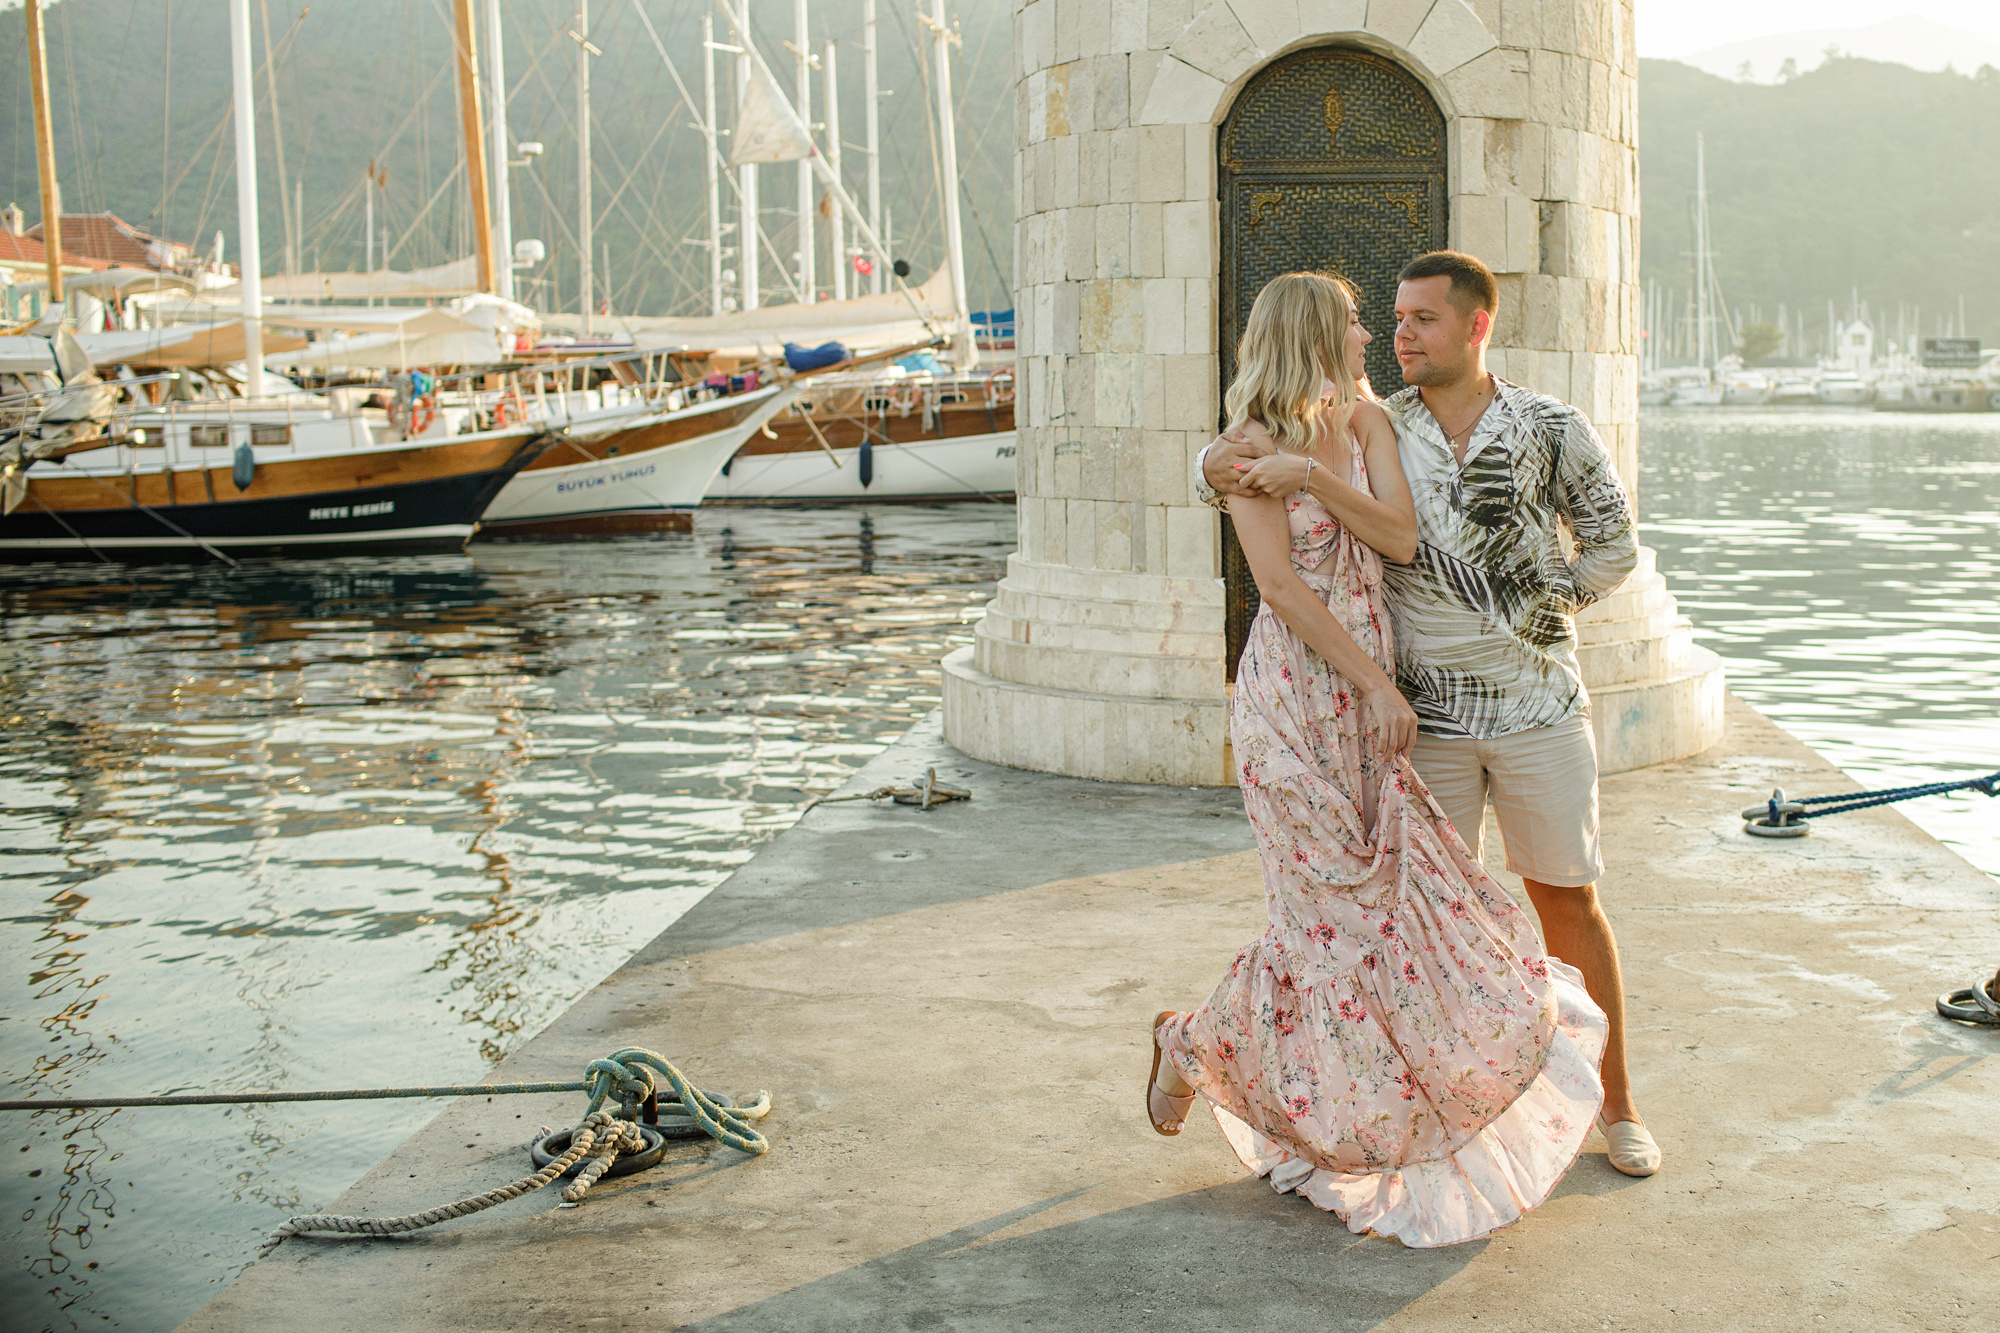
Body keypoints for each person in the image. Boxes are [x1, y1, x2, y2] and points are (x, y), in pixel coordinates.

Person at [1146, 270, 1611, 1248]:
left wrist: (1312, 479)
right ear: (1313, 334)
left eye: (1389, 321)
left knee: (1387, 922)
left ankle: (1268, 1073)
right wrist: (1373, 682)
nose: (1370, 336)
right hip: (1298, 707)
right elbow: (1279, 587)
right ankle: (1193, 1045)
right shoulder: (1241, 450)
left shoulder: (1361, 426)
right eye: (1357, 323)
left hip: (1370, 711)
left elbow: (1397, 538)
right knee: (1321, 924)